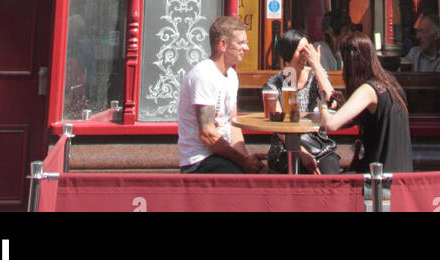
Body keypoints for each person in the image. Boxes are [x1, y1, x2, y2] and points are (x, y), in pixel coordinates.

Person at [177, 15, 266, 174]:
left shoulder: (231, 75)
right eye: (240, 43)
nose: (246, 48)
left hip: (224, 157)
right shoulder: (203, 75)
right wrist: (242, 162)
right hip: (199, 162)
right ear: (223, 45)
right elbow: (208, 134)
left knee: (265, 177)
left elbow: (232, 124)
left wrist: (247, 162)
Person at [319, 31, 413, 173]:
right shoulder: (390, 84)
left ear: (351, 64)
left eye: (343, 62)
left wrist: (322, 105)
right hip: (401, 175)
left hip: (379, 180)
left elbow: (330, 124)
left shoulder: (368, 90)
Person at [262, 29, 341, 174]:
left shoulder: (315, 76)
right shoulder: (275, 83)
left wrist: (317, 65)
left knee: (330, 171)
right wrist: (301, 152)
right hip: (285, 144)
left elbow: (331, 100)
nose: (306, 55)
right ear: (288, 54)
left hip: (315, 140)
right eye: (301, 51)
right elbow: (277, 125)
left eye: (308, 50)